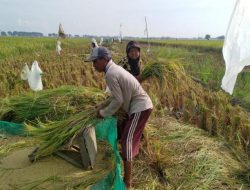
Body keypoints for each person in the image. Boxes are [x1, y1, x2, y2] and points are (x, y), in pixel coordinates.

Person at [87, 47, 153, 189]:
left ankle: (128, 183)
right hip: (137, 107)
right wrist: (101, 105)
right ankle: (128, 174)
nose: (94, 66)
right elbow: (114, 96)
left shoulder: (111, 73)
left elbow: (118, 101)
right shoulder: (113, 70)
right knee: (127, 139)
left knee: (126, 141)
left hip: (140, 107)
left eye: (95, 62)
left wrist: (103, 113)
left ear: (104, 60)